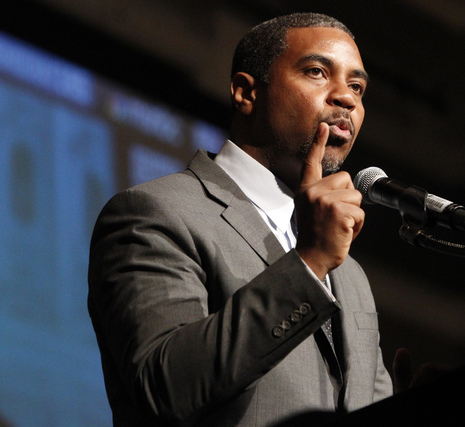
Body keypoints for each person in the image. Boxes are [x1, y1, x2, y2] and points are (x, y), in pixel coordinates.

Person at [88, 13, 396, 426]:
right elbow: (165, 386)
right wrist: (309, 263)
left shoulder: (350, 274)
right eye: (317, 72)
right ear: (246, 92)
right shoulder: (154, 212)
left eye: (357, 86)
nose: (347, 98)